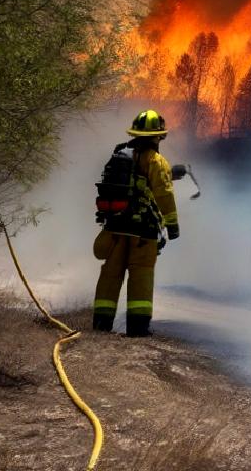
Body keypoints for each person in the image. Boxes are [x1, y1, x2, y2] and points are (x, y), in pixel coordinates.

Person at [92, 109, 180, 337]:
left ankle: (101, 325)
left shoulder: (122, 156)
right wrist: (172, 225)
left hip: (115, 228)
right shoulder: (155, 160)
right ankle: (138, 328)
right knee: (141, 275)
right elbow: (164, 194)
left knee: (110, 275)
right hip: (142, 232)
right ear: (157, 136)